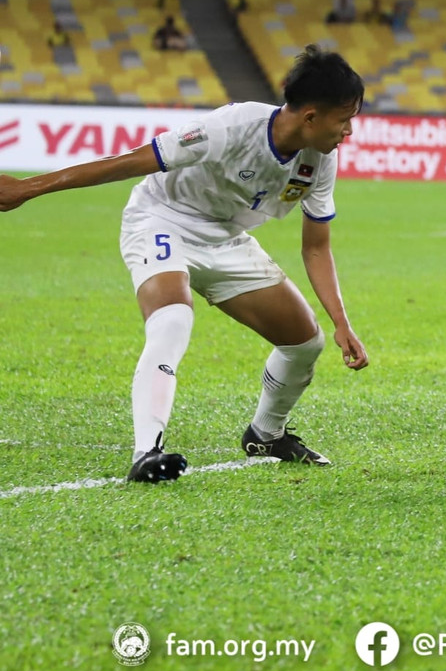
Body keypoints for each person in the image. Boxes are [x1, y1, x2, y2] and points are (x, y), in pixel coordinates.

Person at [0, 46, 370, 483]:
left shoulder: (320, 160)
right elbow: (127, 162)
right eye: (344, 119)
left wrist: (341, 321)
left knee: (305, 342)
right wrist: (29, 188)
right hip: (162, 218)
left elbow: (316, 247)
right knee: (173, 319)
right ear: (310, 116)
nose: (349, 130)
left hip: (226, 239)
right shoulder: (230, 127)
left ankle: (266, 435)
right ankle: (146, 453)